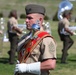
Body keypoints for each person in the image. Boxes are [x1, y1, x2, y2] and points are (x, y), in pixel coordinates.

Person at [14, 4, 57, 75]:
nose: (26, 20)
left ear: (40, 20)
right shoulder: (25, 37)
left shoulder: (46, 39)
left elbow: (50, 64)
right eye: (26, 18)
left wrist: (27, 67)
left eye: (30, 18)